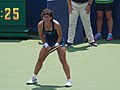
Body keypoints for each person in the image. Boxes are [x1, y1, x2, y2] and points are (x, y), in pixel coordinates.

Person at [26, 8, 72, 87]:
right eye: (44, 17)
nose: (46, 19)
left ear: (51, 17)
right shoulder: (40, 24)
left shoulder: (56, 24)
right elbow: (41, 35)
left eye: (47, 17)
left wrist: (57, 44)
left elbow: (60, 36)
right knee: (40, 59)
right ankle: (34, 78)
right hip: (48, 41)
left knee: (63, 60)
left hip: (59, 41)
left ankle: (69, 80)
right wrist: (46, 45)